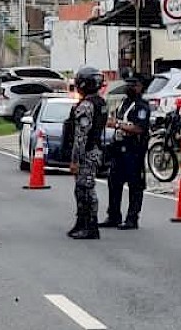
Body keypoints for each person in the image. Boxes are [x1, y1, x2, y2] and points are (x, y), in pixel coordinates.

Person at [100, 73, 150, 230]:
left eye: (133, 85)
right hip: (118, 148)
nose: (130, 88)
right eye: (128, 85)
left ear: (140, 87)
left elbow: (139, 128)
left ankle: (132, 218)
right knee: (114, 182)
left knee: (135, 185)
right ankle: (113, 216)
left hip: (133, 150)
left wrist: (118, 125)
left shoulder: (142, 106)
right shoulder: (123, 103)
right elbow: (113, 119)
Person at [66, 66, 108, 240]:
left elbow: (81, 136)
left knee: (86, 189)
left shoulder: (87, 106)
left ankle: (91, 226)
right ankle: (81, 222)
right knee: (80, 189)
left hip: (87, 153)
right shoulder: (100, 103)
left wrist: (75, 159)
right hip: (94, 149)